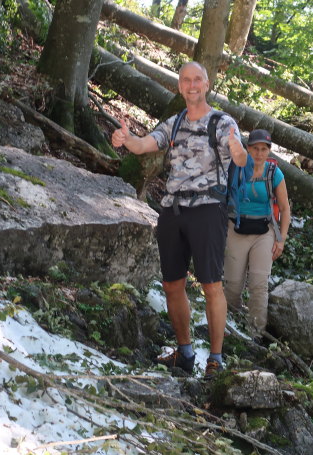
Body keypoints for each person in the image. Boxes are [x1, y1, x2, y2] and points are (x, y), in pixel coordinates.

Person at [111, 61, 247, 379]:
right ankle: (185, 354)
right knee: (173, 284)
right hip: (172, 209)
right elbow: (147, 144)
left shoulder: (223, 122)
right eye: (185, 80)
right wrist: (127, 139)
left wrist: (238, 149)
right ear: (179, 86)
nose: (191, 85)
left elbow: (239, 159)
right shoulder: (175, 122)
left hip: (208, 210)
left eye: (197, 79)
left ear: (207, 83)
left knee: (211, 285)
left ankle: (215, 359)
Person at [223, 129, 291, 339]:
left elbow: (285, 208)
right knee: (232, 286)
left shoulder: (273, 173)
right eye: (255, 149)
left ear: (269, 151)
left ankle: (255, 334)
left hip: (264, 232)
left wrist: (282, 239)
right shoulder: (235, 169)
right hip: (236, 229)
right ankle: (231, 327)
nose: (259, 153)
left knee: (259, 285)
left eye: (264, 149)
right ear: (247, 149)